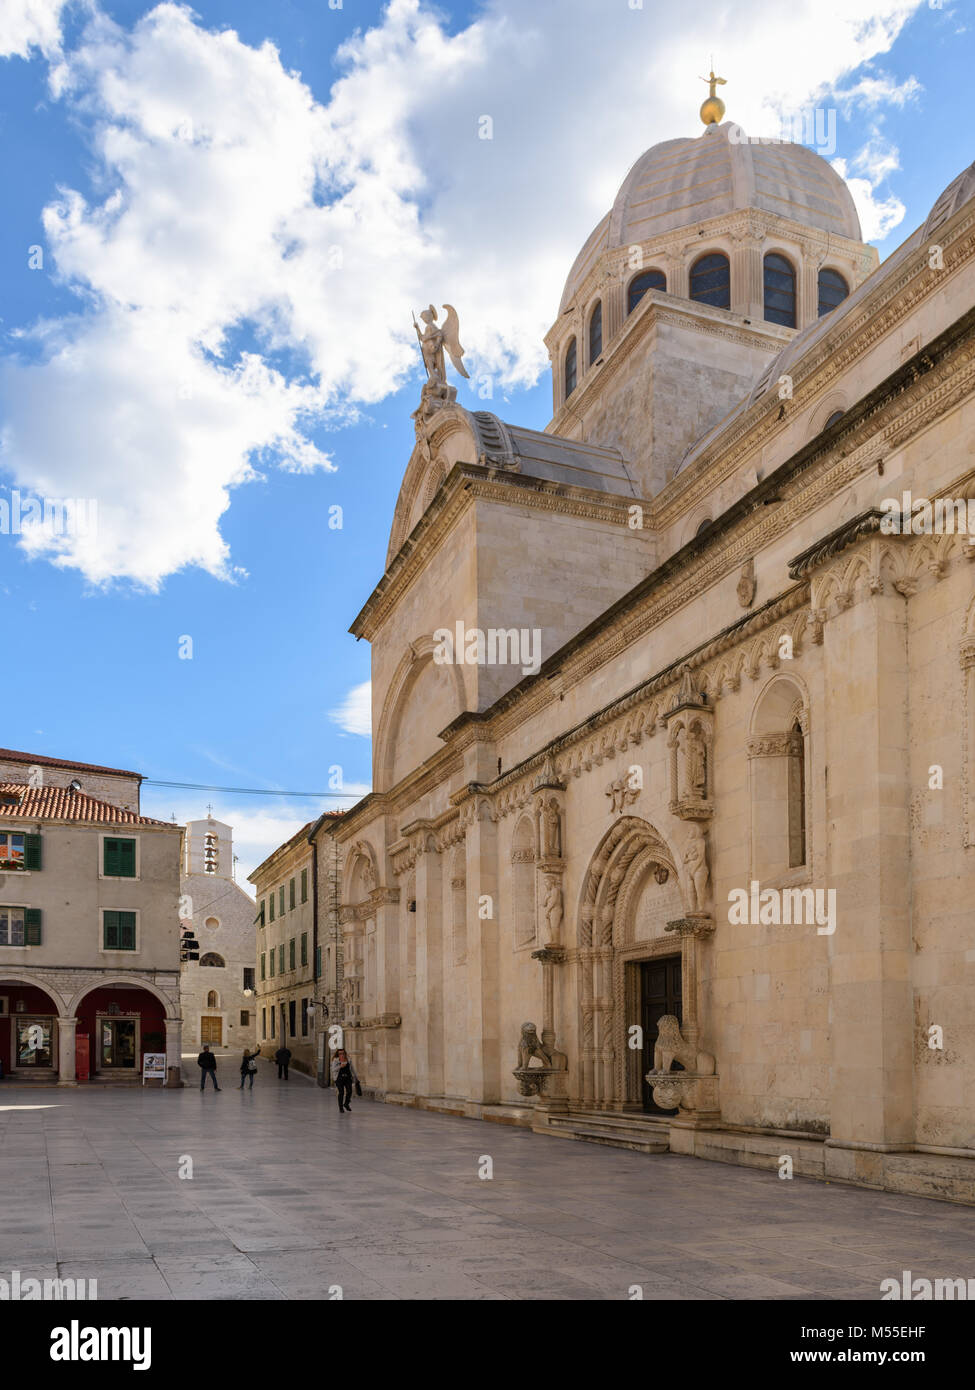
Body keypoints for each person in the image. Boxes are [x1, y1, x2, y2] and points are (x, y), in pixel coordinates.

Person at [330, 1048, 359, 1113]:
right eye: (340, 1054)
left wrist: (356, 1077)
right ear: (338, 1054)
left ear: (345, 1054)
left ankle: (346, 1104)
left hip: (348, 1078)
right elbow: (333, 1070)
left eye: (343, 1053)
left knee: (349, 1091)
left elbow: (352, 1069)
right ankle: (341, 1108)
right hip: (339, 1079)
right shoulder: (335, 1060)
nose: (342, 1055)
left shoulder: (348, 1060)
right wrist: (340, 1066)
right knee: (341, 1092)